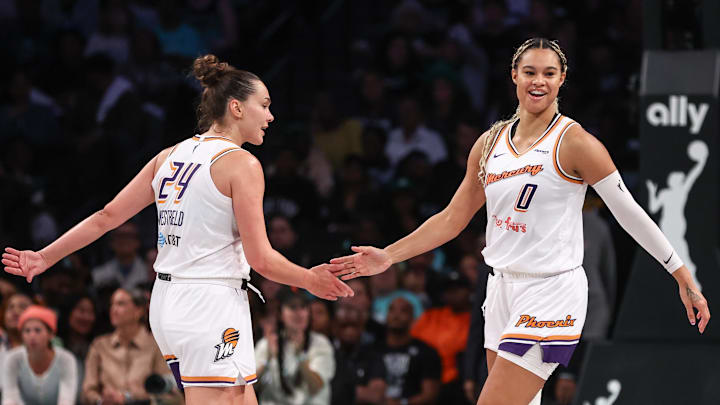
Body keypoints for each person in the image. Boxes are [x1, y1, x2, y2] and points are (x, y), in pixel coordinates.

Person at [329, 38, 710, 405]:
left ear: (562, 79)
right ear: (514, 75)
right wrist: (390, 256)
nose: (538, 81)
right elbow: (451, 218)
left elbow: (630, 213)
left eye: (548, 73)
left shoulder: (575, 142)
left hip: (551, 290)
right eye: (529, 72)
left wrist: (682, 274)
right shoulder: (490, 143)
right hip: (501, 288)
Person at [3, 54, 353, 405]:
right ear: (236, 107)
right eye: (264, 105)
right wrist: (309, 279)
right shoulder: (242, 164)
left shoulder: (168, 155)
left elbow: (106, 216)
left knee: (244, 399)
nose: (270, 116)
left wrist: (45, 256)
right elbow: (260, 258)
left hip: (168, 302)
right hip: (209, 303)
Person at [82, 288, 175, 405]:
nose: (113, 310)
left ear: (139, 311)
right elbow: (88, 390)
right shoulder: (99, 345)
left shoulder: (156, 345)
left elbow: (168, 390)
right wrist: (101, 401)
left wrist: (129, 398)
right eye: (112, 304)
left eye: (120, 304)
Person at [254, 288, 335, 405]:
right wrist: (268, 358)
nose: (299, 313)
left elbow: (316, 387)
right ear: (280, 314)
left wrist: (300, 355)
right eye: (292, 307)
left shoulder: (320, 343)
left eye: (303, 307)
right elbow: (251, 386)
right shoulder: (267, 344)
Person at [2, 305, 78, 405]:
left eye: (37, 330)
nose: (32, 336)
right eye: (27, 331)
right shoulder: (12, 358)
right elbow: (9, 398)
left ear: (51, 334)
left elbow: (67, 400)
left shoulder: (67, 359)